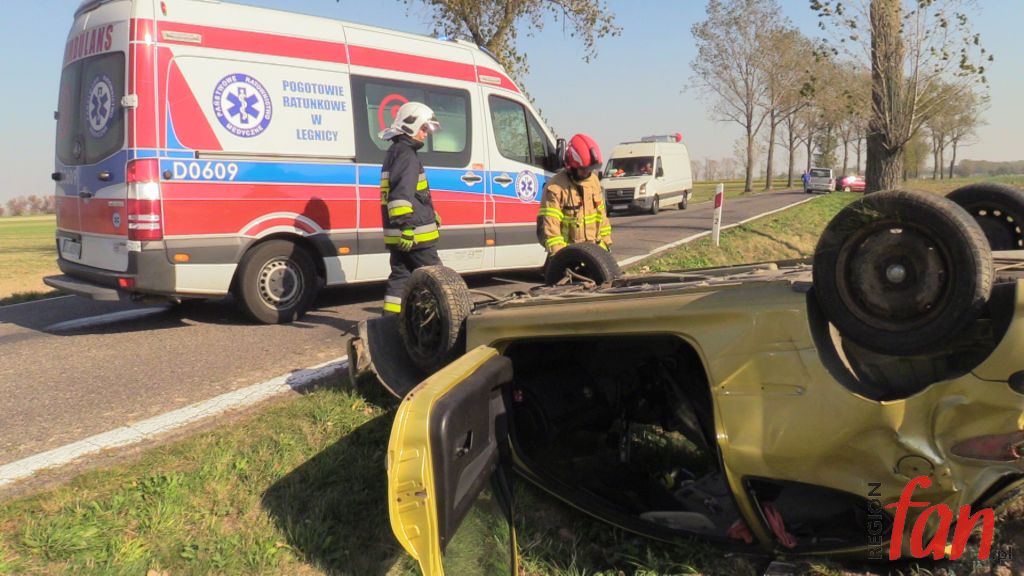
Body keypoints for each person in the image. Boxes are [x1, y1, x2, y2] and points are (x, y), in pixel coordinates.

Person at [378, 101, 443, 315]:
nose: (426, 134)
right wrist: (406, 226)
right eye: (424, 128)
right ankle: (446, 323)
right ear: (410, 125)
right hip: (415, 237)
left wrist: (430, 213)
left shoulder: (395, 152)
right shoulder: (407, 155)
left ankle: (389, 324)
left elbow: (412, 194)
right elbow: (400, 194)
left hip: (399, 235)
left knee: (400, 280)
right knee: (439, 280)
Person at [537, 133, 612, 254]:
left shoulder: (594, 181)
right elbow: (551, 227)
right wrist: (562, 256)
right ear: (571, 166)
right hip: (568, 255)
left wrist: (605, 246)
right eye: (583, 170)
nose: (587, 174)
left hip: (595, 253)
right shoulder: (556, 187)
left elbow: (602, 217)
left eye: (590, 169)